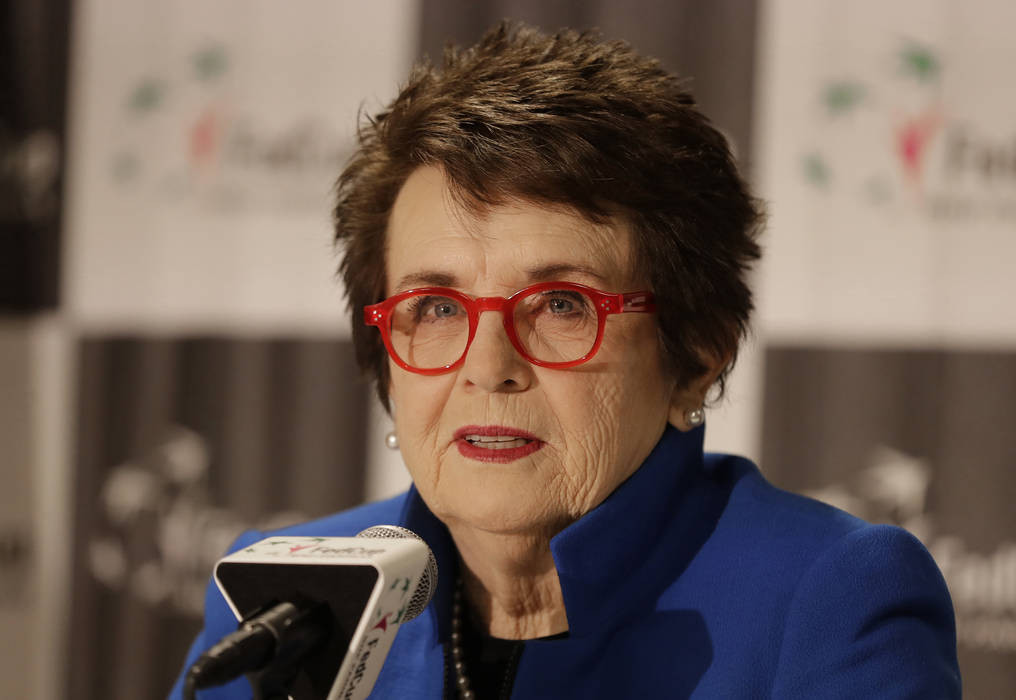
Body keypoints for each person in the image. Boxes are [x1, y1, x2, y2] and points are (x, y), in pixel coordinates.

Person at [171, 22, 961, 699]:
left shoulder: (831, 601)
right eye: (437, 308)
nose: (488, 366)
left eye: (560, 305)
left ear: (697, 355)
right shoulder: (284, 603)